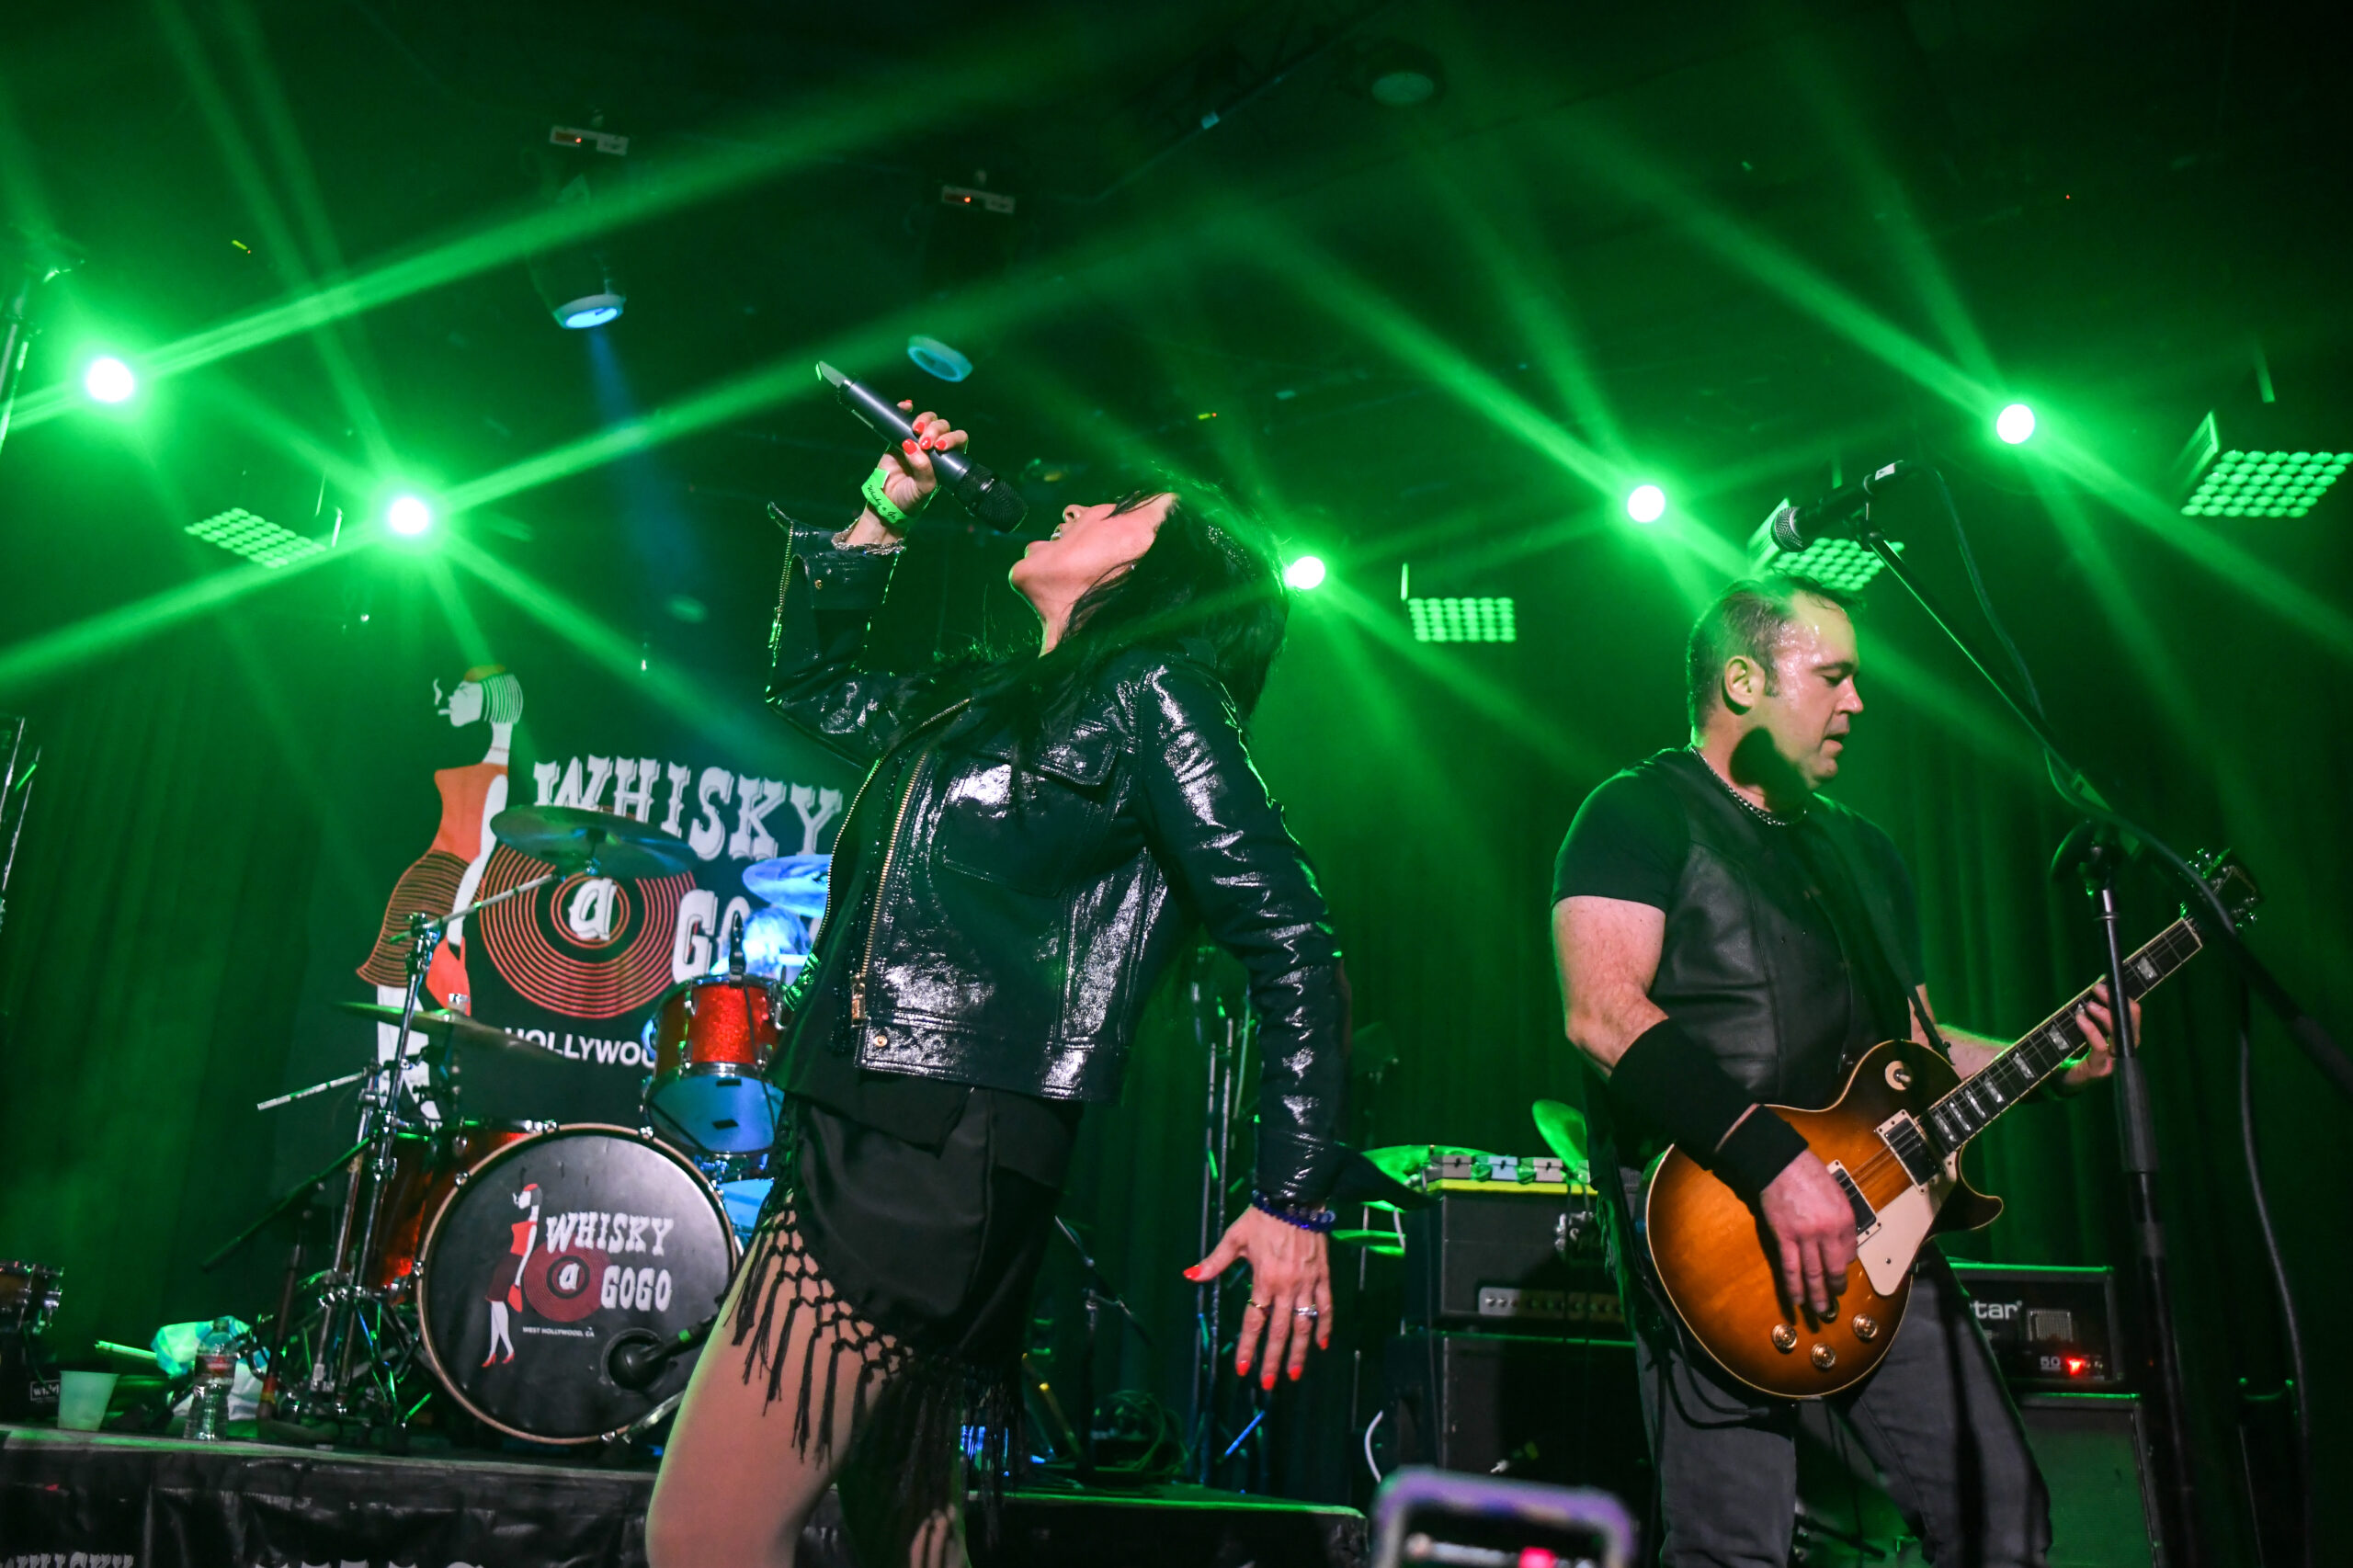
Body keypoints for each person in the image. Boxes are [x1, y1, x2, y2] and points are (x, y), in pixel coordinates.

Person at [646, 408, 1350, 1568]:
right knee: (909, 1532)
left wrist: (1291, 1197)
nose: (1076, 504)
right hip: (888, 1119)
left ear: (1164, 574)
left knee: (703, 1533)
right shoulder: (990, 694)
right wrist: (883, 513)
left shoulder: (1158, 689)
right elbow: (813, 683)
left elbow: (1292, 936)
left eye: (1120, 508)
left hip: (931, 1143)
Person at [1551, 574, 2135, 1567]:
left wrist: (2050, 1065)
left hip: (1876, 1221)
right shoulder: (1634, 811)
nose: (1857, 701)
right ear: (1743, 680)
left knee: (2002, 1520)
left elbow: (1917, 1046)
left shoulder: (1863, 849)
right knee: (1733, 1545)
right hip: (1716, 1217)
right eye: (1832, 676)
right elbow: (1602, 1013)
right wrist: (1775, 1165)